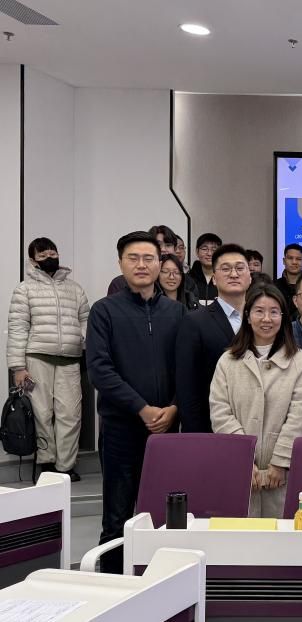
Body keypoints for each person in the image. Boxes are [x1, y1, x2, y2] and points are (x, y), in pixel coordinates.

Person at [87, 231, 186, 573]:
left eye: (148, 258)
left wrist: (174, 407)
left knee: (165, 515)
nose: (141, 265)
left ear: (160, 263)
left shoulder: (176, 313)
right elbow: (100, 370)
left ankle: (162, 581)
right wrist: (141, 408)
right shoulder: (104, 311)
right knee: (117, 517)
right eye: (133, 258)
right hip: (121, 429)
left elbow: (187, 369)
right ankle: (113, 585)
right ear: (120, 263)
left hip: (167, 431)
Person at [210, 284, 302, 519]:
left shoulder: (298, 360)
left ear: (283, 317)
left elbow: (299, 415)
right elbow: (220, 412)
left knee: (281, 534)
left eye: (274, 312)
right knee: (242, 536)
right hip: (240, 471)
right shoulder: (228, 361)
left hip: (282, 473)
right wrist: (244, 459)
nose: (267, 319)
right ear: (247, 316)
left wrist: (281, 461)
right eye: (259, 311)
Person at [7, 238, 90, 481]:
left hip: (70, 359)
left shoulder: (75, 289)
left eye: (53, 253)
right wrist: (18, 367)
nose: (49, 258)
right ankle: (46, 462)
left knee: (70, 414)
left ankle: (65, 466)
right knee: (41, 413)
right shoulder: (24, 289)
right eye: (43, 255)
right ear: (33, 260)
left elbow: (86, 319)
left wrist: (81, 339)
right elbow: (18, 328)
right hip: (36, 359)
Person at [175, 243, 252, 433]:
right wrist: (196, 435)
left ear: (250, 276)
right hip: (210, 427)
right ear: (214, 279)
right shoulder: (194, 322)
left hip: (257, 426)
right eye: (225, 269)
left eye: (240, 268)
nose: (233, 274)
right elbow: (187, 386)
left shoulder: (263, 321)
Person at [107, 225, 179, 297]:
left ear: (175, 249)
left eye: (168, 245)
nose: (163, 249)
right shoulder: (120, 283)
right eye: (159, 245)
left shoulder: (180, 279)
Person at [188, 232, 222, 302]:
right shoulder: (187, 279)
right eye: (204, 249)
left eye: (214, 250)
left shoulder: (225, 279)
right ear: (197, 252)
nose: (209, 253)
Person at [275, 243, 302, 320]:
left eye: (298, 259)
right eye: (290, 258)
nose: (294, 262)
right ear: (284, 261)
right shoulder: (274, 286)